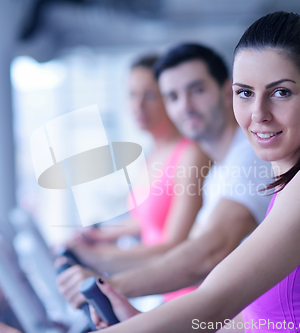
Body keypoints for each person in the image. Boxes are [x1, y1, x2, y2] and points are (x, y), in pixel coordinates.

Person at [0, 11, 300, 332]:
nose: (258, 113)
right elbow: (249, 322)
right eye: (245, 93)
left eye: (281, 92)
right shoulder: (290, 186)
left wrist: (112, 283)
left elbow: (213, 296)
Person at [57, 44, 272, 307]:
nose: (186, 106)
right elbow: (184, 253)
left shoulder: (251, 157)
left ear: (228, 91)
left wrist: (108, 284)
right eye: (173, 96)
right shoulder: (218, 173)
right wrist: (95, 258)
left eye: (197, 90)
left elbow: (207, 255)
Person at [57, 54, 210, 290]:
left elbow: (174, 246)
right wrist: (100, 237)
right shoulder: (151, 154)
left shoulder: (191, 154)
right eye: (131, 94)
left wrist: (97, 255)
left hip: (184, 288)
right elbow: (145, 219)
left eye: (149, 95)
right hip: (160, 286)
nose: (138, 106)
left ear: (169, 98)